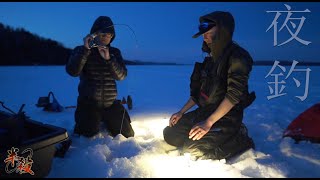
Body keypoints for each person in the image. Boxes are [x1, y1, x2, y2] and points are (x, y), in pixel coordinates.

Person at [163, 11, 256, 160]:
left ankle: (240, 139)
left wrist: (208, 123)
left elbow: (234, 95)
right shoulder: (211, 58)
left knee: (192, 149)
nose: (204, 36)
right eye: (203, 33)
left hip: (227, 116)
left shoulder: (238, 57)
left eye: (208, 32)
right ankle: (210, 134)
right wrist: (181, 112)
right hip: (206, 110)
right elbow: (200, 93)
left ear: (222, 30)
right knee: (170, 134)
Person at [66, 16, 134, 138]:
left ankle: (108, 120)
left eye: (109, 35)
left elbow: (121, 76)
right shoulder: (80, 50)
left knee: (127, 134)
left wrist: (109, 59)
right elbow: (72, 71)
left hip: (110, 103)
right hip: (88, 104)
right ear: (94, 35)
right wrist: (85, 51)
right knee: (86, 135)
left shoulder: (115, 52)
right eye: (103, 34)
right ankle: (92, 121)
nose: (106, 38)